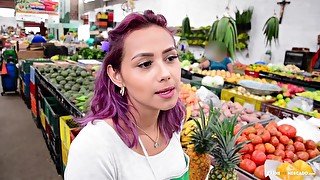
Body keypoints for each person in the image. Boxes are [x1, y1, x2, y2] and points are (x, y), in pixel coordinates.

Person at [64, 10, 189, 180]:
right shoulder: (94, 147)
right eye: (145, 64)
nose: (166, 73)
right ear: (117, 75)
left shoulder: (175, 122)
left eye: (170, 58)